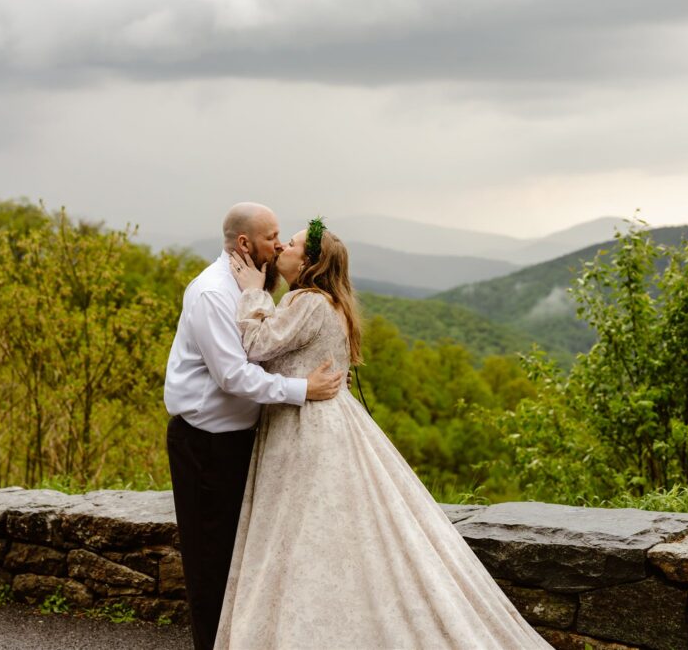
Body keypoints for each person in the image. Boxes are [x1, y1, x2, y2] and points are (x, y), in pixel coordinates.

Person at [215, 218, 552, 649]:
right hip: (326, 421)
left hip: (305, 430)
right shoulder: (327, 302)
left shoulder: (309, 301)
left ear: (311, 262)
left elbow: (257, 345)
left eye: (293, 244)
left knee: (299, 534)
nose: (282, 248)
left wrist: (251, 293)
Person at [164, 203, 345, 650]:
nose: (281, 244)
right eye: (273, 236)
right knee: (211, 562)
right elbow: (233, 376)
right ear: (244, 243)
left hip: (245, 441)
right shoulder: (212, 293)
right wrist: (302, 389)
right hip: (206, 444)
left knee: (242, 559)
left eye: (285, 237)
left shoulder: (260, 283)